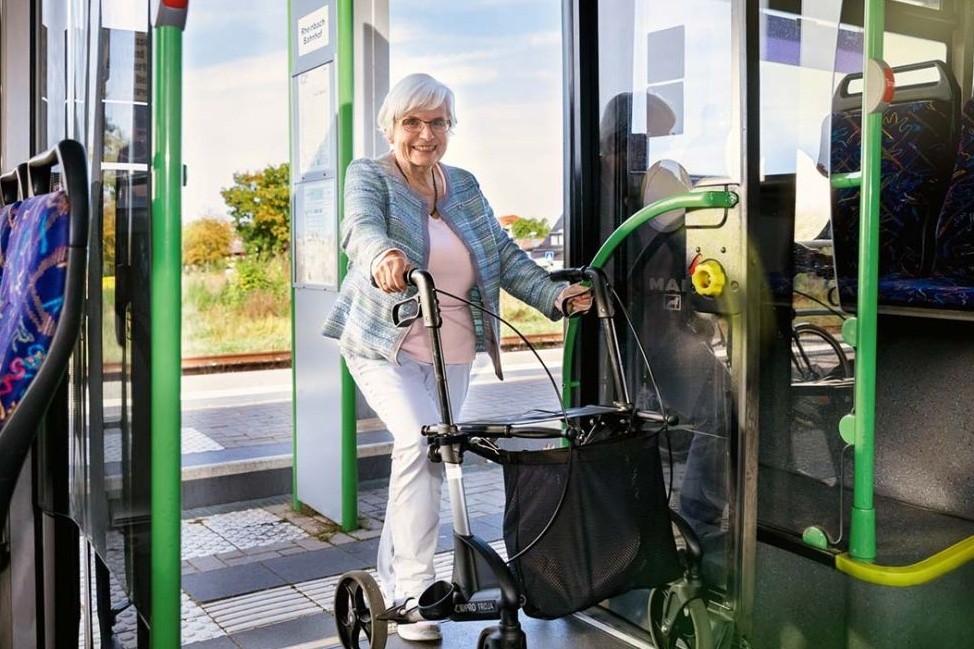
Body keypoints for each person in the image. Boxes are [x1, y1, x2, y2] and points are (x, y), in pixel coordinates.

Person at [321, 73, 591, 642]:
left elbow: (503, 255)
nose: (425, 133)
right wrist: (384, 257)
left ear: (450, 127)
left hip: (454, 351)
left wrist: (554, 296)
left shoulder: (463, 185)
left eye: (437, 122)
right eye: (412, 122)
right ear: (391, 127)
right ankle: (419, 593)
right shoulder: (369, 175)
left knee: (427, 457)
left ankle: (395, 582)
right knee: (417, 444)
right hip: (384, 346)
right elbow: (359, 229)